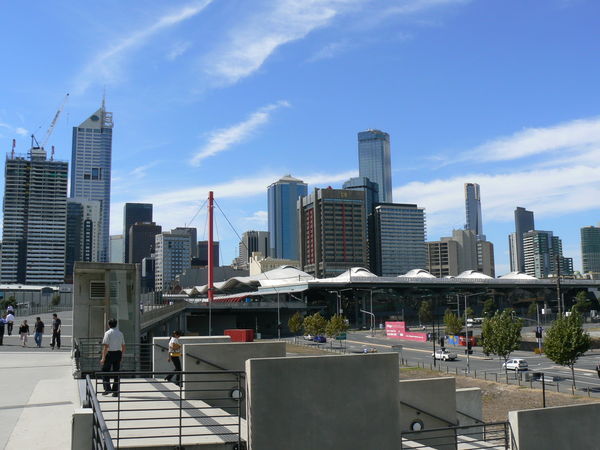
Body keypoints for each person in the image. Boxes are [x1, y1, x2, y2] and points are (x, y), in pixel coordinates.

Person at [100, 318, 125, 397]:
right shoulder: (120, 333)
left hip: (110, 354)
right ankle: (115, 391)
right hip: (118, 353)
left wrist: (103, 357)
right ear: (116, 324)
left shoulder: (107, 333)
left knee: (104, 371)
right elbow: (123, 346)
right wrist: (122, 356)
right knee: (116, 372)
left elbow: (106, 346)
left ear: (109, 325)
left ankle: (107, 389)